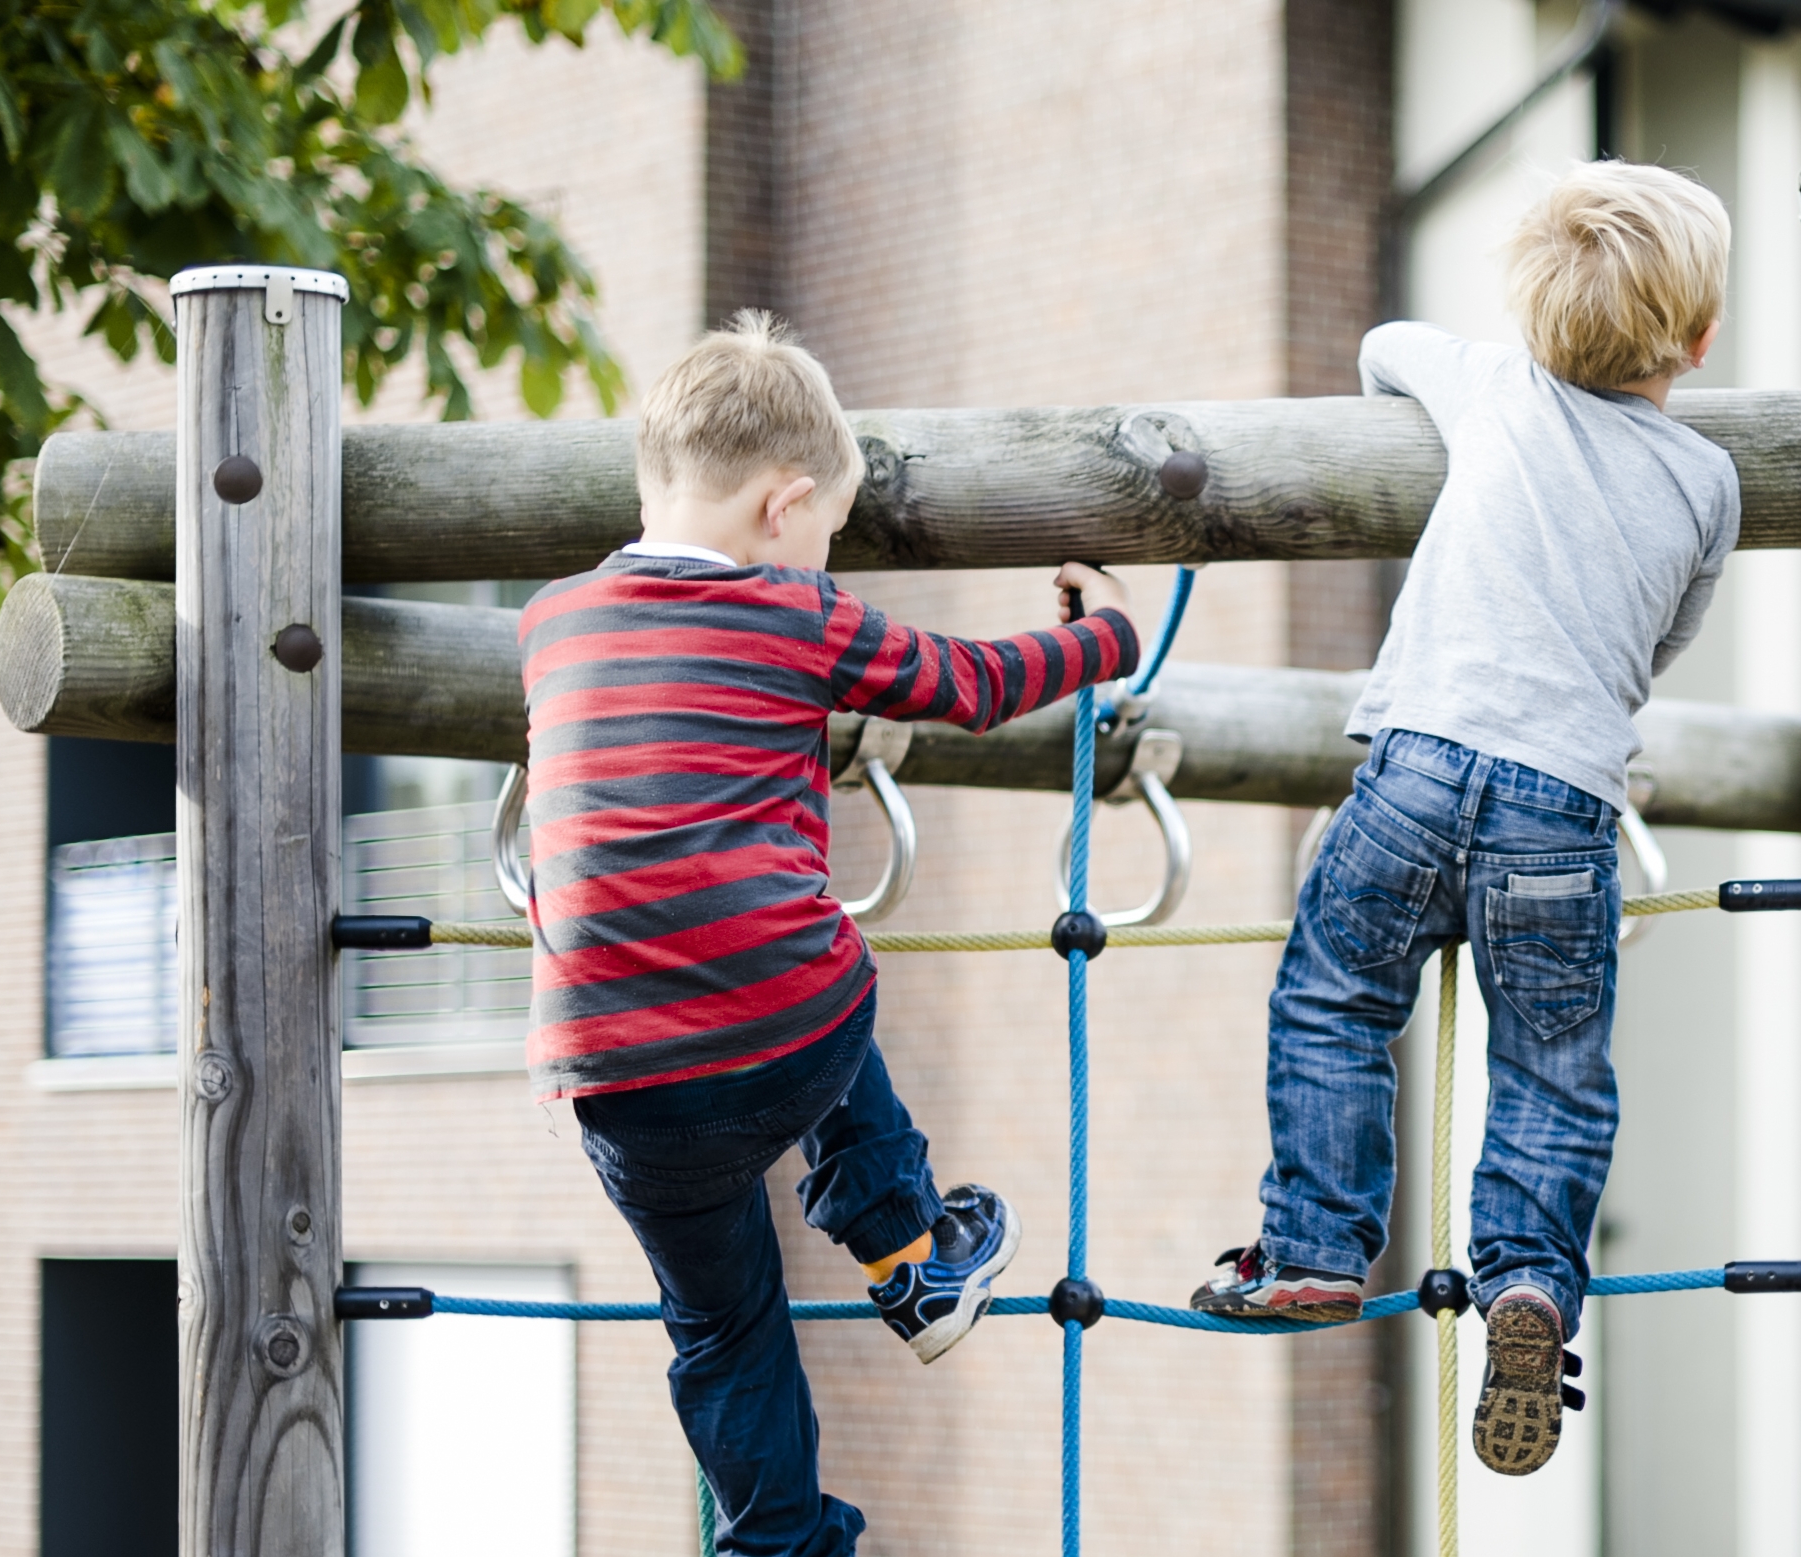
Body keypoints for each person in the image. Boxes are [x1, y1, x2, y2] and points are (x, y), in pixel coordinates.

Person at [517, 312, 1138, 1556]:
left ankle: (778, 1542)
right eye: (829, 532)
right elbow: (971, 685)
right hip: (776, 1036)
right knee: (815, 964)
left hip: (612, 1079)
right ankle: (907, 1249)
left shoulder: (553, 620)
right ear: (783, 506)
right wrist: (1104, 633)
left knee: (720, 1327)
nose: (825, 557)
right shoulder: (798, 612)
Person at [1192, 161, 1739, 1477]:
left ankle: (1316, 1248)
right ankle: (1529, 1280)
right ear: (1701, 338)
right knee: (1552, 1065)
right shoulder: (1709, 481)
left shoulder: (1495, 385)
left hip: (1416, 774)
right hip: (1563, 807)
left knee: (1334, 1000)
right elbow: (1664, 639)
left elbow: (1388, 345)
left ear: (1535, 321)